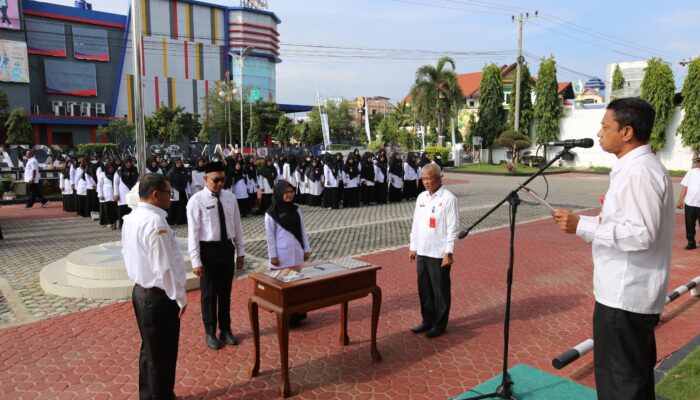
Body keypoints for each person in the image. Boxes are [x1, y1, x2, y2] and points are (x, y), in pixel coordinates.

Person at [552, 98, 674, 400]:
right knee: (625, 378)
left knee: (622, 385)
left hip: (625, 296)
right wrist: (585, 223)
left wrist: (581, 226)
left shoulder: (639, 173)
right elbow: (623, 223)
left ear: (627, 132)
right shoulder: (634, 168)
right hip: (622, 293)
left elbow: (640, 234)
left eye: (606, 126)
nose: (599, 132)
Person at [122, 173, 187, 400]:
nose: (172, 197)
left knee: (149, 350)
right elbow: (165, 267)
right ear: (156, 194)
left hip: (141, 291)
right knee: (163, 355)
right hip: (158, 296)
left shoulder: (131, 217)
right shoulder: (155, 222)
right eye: (169, 193)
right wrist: (179, 297)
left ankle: (148, 395)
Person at [186, 161, 246, 350]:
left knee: (225, 293)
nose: (220, 184)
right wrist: (196, 260)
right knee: (209, 295)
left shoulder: (230, 198)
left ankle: (226, 329)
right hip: (208, 251)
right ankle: (210, 332)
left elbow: (237, 226)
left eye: (223, 180)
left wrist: (240, 251)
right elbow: (193, 234)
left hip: (226, 249)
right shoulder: (196, 201)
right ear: (205, 179)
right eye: (216, 180)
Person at [408, 163, 459, 339]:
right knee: (424, 289)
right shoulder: (421, 197)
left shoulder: (448, 198)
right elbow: (415, 224)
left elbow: (453, 228)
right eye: (423, 178)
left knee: (440, 291)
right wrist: (413, 246)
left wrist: (449, 252)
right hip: (422, 251)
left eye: (429, 178)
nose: (426, 182)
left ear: (439, 178)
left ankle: (440, 324)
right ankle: (427, 320)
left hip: (439, 253)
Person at [676, 157, 700, 250]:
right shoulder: (691, 172)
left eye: (698, 161)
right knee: (689, 224)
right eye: (696, 161)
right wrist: (680, 200)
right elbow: (685, 187)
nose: (697, 163)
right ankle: (691, 242)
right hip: (690, 202)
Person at [114, 158, 139, 228]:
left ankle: (132, 225)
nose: (128, 164)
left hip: (132, 193)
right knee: (122, 209)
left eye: (130, 162)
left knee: (132, 209)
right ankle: (122, 225)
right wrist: (116, 194)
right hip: (122, 194)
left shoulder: (134, 170)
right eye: (127, 162)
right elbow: (115, 183)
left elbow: (137, 181)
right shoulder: (119, 171)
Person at [167, 159, 190, 225]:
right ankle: (174, 221)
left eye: (180, 162)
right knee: (174, 207)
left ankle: (182, 220)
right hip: (174, 191)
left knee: (182, 206)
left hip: (183, 191)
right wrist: (171, 191)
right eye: (177, 162)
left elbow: (187, 180)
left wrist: (188, 191)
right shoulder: (171, 172)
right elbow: (168, 182)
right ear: (174, 163)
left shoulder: (184, 170)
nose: (179, 164)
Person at [97, 163, 118, 229]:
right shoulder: (102, 175)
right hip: (106, 195)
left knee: (114, 209)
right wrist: (100, 194)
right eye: (109, 168)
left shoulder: (116, 174)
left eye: (112, 168)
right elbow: (99, 185)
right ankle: (109, 222)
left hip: (114, 194)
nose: (111, 169)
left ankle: (114, 222)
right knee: (107, 209)